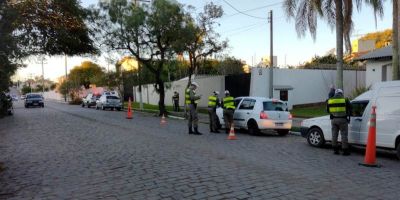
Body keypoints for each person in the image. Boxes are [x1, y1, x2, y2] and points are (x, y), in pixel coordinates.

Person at [327, 89, 352, 156]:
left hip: (334, 120)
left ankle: (335, 150)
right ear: (341, 93)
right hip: (343, 120)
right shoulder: (345, 99)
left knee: (334, 134)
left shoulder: (330, 100)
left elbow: (328, 111)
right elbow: (350, 108)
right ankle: (345, 151)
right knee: (344, 135)